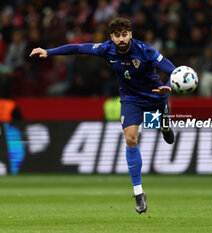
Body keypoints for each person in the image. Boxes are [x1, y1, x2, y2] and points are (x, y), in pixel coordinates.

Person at [30, 17, 176, 214]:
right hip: (131, 99)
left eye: (125, 34)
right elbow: (78, 48)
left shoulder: (145, 50)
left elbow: (168, 66)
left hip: (155, 95)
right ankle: (139, 192)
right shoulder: (106, 49)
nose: (121, 39)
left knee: (161, 127)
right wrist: (49, 52)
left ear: (131, 34)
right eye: (117, 35)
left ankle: (164, 124)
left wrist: (174, 81)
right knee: (131, 139)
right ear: (111, 37)